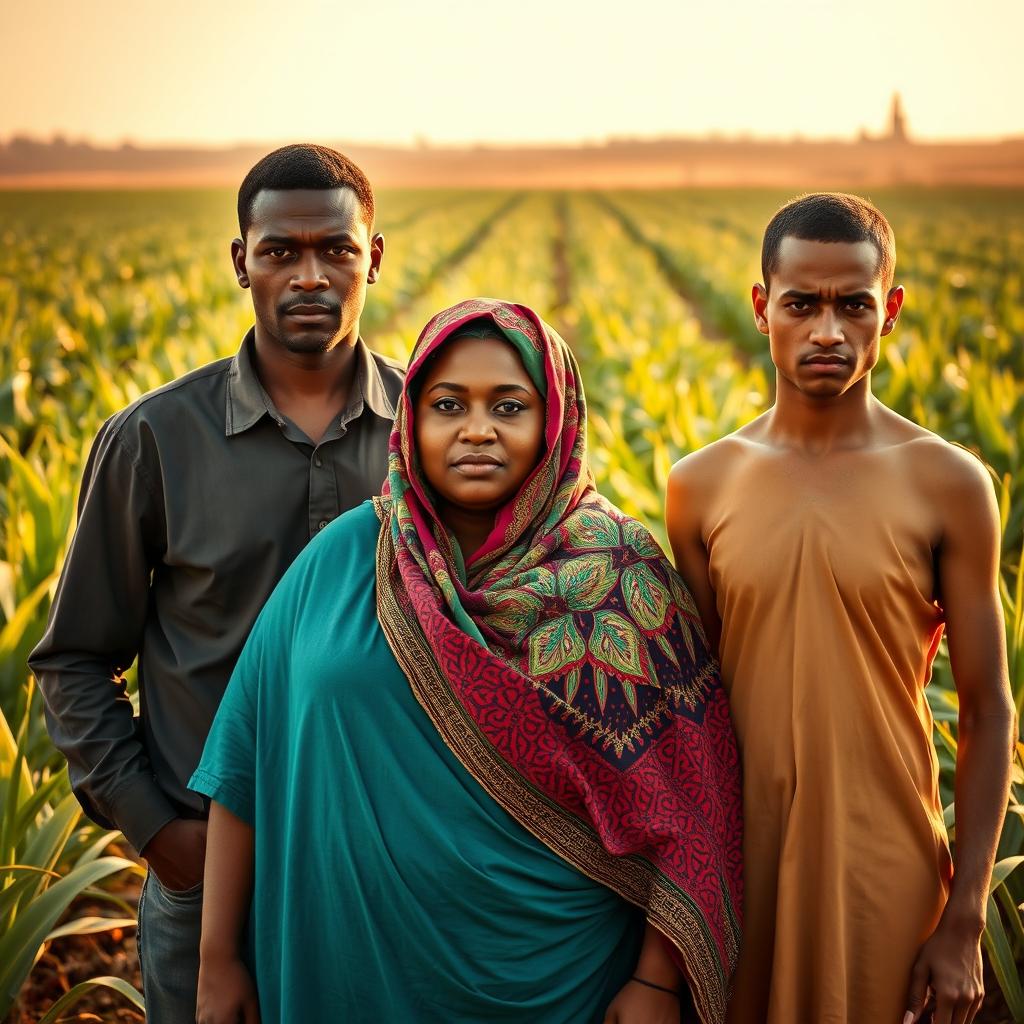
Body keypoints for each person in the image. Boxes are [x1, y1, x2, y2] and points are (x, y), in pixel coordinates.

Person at [189, 297, 743, 1024]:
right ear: (411, 420)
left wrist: (655, 981)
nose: (477, 429)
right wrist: (217, 956)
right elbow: (245, 765)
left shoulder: (620, 579)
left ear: (555, 424)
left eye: (509, 407)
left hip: (560, 980)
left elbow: (692, 801)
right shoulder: (346, 559)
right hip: (346, 968)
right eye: (449, 404)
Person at [28, 144, 403, 1023]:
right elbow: (76, 657)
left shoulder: (428, 436)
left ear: (373, 259)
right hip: (204, 874)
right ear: (241, 261)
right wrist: (164, 836)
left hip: (387, 864)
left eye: (336, 250)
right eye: (280, 251)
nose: (309, 275)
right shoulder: (155, 438)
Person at [665, 193, 1015, 1023]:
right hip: (744, 869)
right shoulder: (699, 486)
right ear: (762, 308)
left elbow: (988, 711)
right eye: (802, 304)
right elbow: (694, 709)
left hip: (885, 864)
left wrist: (965, 918)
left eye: (853, 305)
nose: (828, 330)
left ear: (888, 311)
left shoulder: (951, 484)